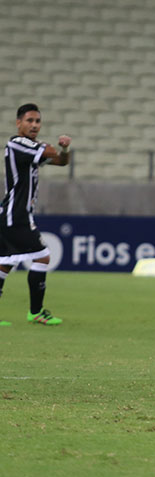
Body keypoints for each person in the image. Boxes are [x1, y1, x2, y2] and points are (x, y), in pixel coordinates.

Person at [0, 103, 71, 326]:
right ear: (18, 123)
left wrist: (65, 149)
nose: (34, 125)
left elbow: (60, 161)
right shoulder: (18, 143)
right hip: (16, 215)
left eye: (37, 121)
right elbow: (48, 152)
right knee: (43, 256)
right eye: (29, 121)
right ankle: (36, 312)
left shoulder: (30, 147)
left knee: (5, 263)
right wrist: (51, 145)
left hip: (15, 214)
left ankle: (36, 312)